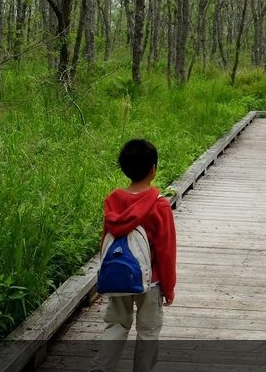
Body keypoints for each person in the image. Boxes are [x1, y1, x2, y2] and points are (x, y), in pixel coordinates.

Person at [89, 139, 176, 372]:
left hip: (118, 273)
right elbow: (165, 250)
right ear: (153, 169)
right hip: (152, 281)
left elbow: (106, 240)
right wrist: (169, 287)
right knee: (148, 331)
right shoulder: (159, 205)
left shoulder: (113, 200)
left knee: (116, 325)